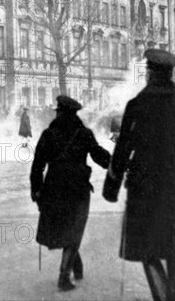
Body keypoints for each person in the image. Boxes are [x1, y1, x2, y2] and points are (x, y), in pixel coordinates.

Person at [103, 49, 175, 300]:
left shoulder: (138, 104)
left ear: (149, 73)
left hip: (145, 186)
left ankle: (163, 296)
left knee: (147, 248)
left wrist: (112, 186)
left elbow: (123, 148)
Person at [31, 96, 110, 291]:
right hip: (77, 187)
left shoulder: (49, 134)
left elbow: (37, 165)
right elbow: (98, 155)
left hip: (54, 186)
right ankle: (64, 277)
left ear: (61, 112)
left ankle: (77, 266)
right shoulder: (83, 133)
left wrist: (36, 190)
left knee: (66, 227)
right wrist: (116, 165)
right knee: (75, 227)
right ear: (74, 113)